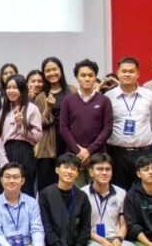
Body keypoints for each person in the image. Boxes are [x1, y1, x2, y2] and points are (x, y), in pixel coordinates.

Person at [105, 58, 152, 191]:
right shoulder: (108, 97)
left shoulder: (149, 95)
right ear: (118, 73)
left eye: (131, 71)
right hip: (117, 153)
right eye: (124, 71)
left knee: (143, 190)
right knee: (118, 190)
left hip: (143, 152)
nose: (127, 74)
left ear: (137, 74)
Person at [37, 155, 96, 246]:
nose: (69, 171)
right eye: (66, 167)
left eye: (74, 169)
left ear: (77, 174)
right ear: (57, 169)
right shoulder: (45, 194)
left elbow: (85, 229)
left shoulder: (82, 196)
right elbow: (46, 228)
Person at [60, 60, 112, 188]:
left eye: (91, 75)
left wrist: (89, 151)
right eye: (83, 75)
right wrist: (78, 151)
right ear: (77, 77)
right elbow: (63, 128)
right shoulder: (68, 100)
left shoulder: (104, 100)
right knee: (76, 194)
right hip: (74, 156)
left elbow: (107, 129)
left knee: (98, 193)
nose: (87, 79)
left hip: (98, 156)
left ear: (95, 77)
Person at [80, 154, 139, 246]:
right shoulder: (82, 194)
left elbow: (123, 223)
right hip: (92, 240)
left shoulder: (121, 193)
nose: (104, 173)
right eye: (100, 169)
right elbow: (82, 227)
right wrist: (103, 241)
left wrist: (118, 239)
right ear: (91, 172)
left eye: (108, 169)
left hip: (115, 238)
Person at [0, 163, 49, 246]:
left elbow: (37, 228)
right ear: (1, 180)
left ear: (22, 181)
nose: (11, 180)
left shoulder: (32, 203)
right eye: (7, 177)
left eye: (15, 177)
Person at [0, 75, 43, 198]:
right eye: (8, 87)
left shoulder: (32, 109)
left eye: (15, 88)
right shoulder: (4, 111)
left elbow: (38, 137)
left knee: (26, 190)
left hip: (25, 151)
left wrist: (21, 126)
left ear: (22, 89)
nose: (11, 91)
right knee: (7, 190)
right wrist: (3, 161)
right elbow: (0, 138)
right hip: (7, 151)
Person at [39, 57, 74, 189]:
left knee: (68, 183)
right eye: (47, 71)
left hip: (69, 143)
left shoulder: (72, 91)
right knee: (47, 185)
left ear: (61, 70)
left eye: (54, 69)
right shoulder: (41, 96)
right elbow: (40, 124)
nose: (51, 73)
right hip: (48, 146)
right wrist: (48, 107)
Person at [30, 71, 58, 194]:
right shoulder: (21, 99)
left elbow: (44, 122)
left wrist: (48, 107)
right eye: (33, 81)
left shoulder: (45, 97)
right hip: (28, 148)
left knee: (46, 185)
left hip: (46, 148)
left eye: (39, 81)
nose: (36, 84)